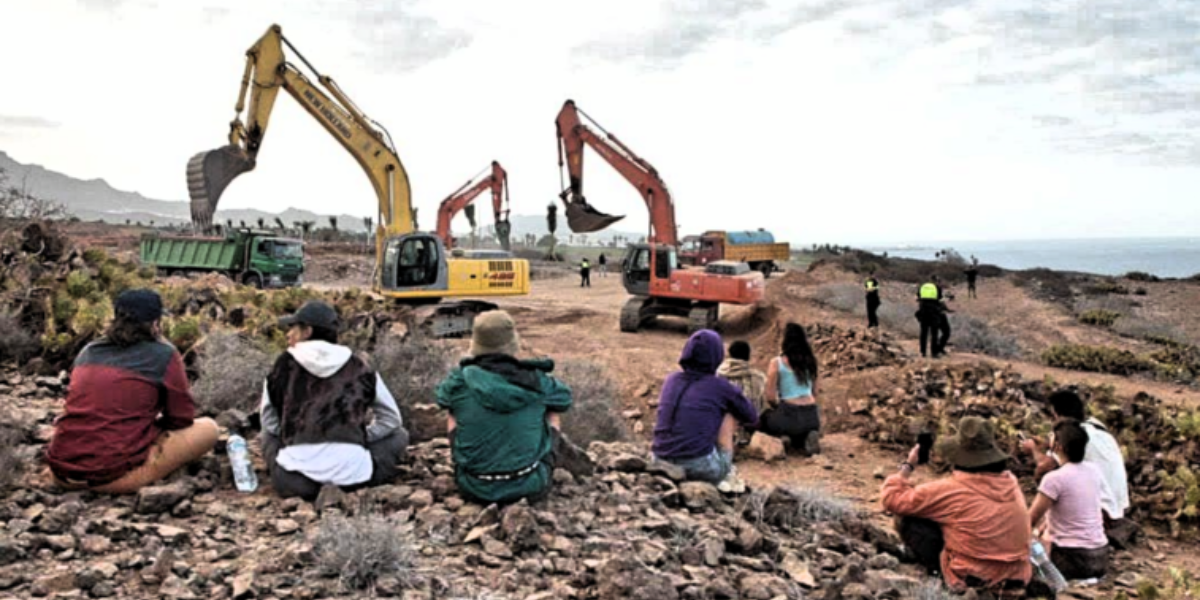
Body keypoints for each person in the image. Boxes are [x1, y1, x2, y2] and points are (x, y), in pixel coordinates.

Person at [47, 289, 219, 493]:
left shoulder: (89, 351)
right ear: (155, 323)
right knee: (209, 428)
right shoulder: (163, 354)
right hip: (110, 477)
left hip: (61, 471)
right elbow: (181, 418)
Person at [260, 301, 409, 501]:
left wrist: (293, 435)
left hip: (295, 481)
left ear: (307, 331)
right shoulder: (359, 365)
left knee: (268, 436)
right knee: (399, 435)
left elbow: (269, 421)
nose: (288, 334)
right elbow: (391, 420)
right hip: (355, 478)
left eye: (293, 328)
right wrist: (359, 438)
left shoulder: (282, 365)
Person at [436, 310, 574, 504]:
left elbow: (442, 398)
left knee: (453, 410)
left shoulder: (459, 380)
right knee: (551, 410)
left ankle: (472, 466)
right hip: (531, 486)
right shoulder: (536, 381)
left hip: (472, 487)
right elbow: (564, 400)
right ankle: (532, 464)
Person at [881, 416, 1032, 593]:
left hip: (973, 577)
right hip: (1018, 575)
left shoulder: (951, 489)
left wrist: (908, 465)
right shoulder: (1010, 482)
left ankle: (938, 575)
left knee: (908, 517)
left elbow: (892, 499)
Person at [1021, 390, 1131, 544]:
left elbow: (1044, 467)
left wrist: (1033, 450)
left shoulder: (1068, 439)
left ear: (1057, 415)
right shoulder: (1097, 428)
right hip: (1119, 507)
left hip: (1099, 515)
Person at [652, 330, 758, 484]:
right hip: (698, 466)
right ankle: (724, 468)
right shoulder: (721, 387)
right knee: (730, 412)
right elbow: (751, 416)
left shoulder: (671, 380)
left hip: (659, 460)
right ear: (717, 356)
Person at [1028, 420, 1110, 581]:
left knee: (1031, 544)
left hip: (1070, 558)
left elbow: (1030, 519)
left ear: (1057, 446)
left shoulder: (1054, 479)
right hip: (1100, 557)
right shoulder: (1093, 470)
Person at [759, 323, 822, 455]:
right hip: (811, 417)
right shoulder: (811, 361)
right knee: (799, 429)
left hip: (789, 413)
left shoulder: (777, 363)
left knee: (765, 418)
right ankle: (807, 437)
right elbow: (815, 393)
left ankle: (782, 437)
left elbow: (770, 397)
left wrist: (778, 407)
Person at [717, 340, 768, 446]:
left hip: (724, 427)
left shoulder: (717, 376)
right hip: (752, 426)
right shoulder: (759, 377)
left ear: (729, 355)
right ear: (748, 357)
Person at [916, 275, 951, 358]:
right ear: (936, 281)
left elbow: (918, 298)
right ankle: (934, 353)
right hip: (934, 312)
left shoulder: (922, 287)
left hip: (923, 311)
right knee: (934, 333)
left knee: (923, 332)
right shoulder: (937, 288)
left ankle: (923, 352)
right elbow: (940, 300)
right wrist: (946, 309)